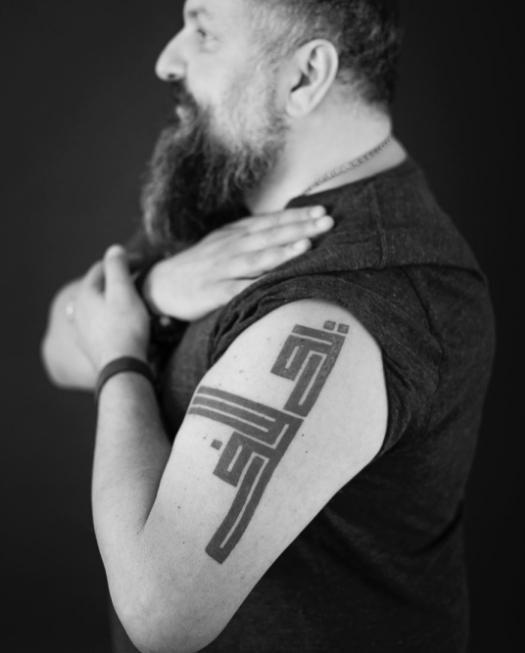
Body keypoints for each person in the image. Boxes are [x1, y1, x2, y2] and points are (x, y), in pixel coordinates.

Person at [41, 1, 495, 652]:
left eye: (203, 31)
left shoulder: (353, 300)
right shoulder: (236, 190)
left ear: (304, 76)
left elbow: (161, 611)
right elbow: (58, 347)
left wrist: (121, 355)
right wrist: (156, 291)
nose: (166, 60)